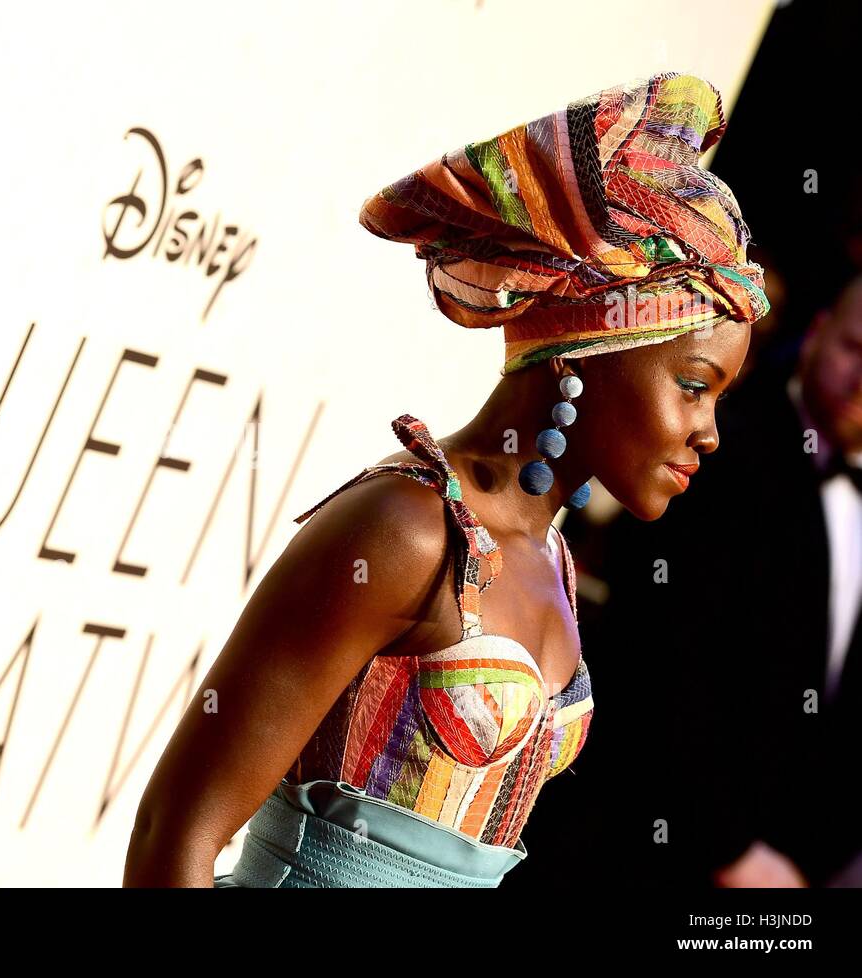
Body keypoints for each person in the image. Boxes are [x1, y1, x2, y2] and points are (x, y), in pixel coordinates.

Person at [122, 71, 770, 887]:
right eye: (694, 384)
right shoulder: (403, 530)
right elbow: (174, 832)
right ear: (585, 348)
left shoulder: (554, 564)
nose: (709, 432)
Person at [518, 272, 862, 889]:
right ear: (816, 333)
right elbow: (653, 653)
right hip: (629, 846)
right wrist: (731, 850)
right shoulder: (718, 456)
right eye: (855, 350)